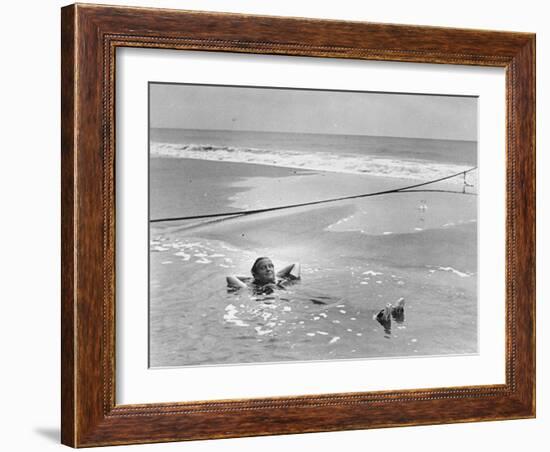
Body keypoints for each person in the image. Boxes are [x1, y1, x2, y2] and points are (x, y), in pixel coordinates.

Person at [226, 257, 301, 293]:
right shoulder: (253, 287)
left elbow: (295, 264)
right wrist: (254, 277)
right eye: (263, 268)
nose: (268, 269)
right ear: (256, 275)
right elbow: (230, 277)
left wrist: (276, 274)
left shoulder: (279, 278)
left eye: (270, 266)